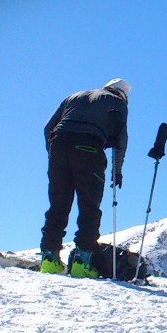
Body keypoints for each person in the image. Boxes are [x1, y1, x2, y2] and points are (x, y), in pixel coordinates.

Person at [41, 79, 130, 278]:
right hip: (90, 147)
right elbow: (121, 139)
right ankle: (82, 262)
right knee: (89, 205)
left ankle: (49, 259)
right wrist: (118, 170)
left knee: (58, 203)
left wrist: (53, 154)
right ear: (123, 94)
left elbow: (48, 128)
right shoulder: (118, 104)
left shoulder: (75, 95)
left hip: (59, 144)